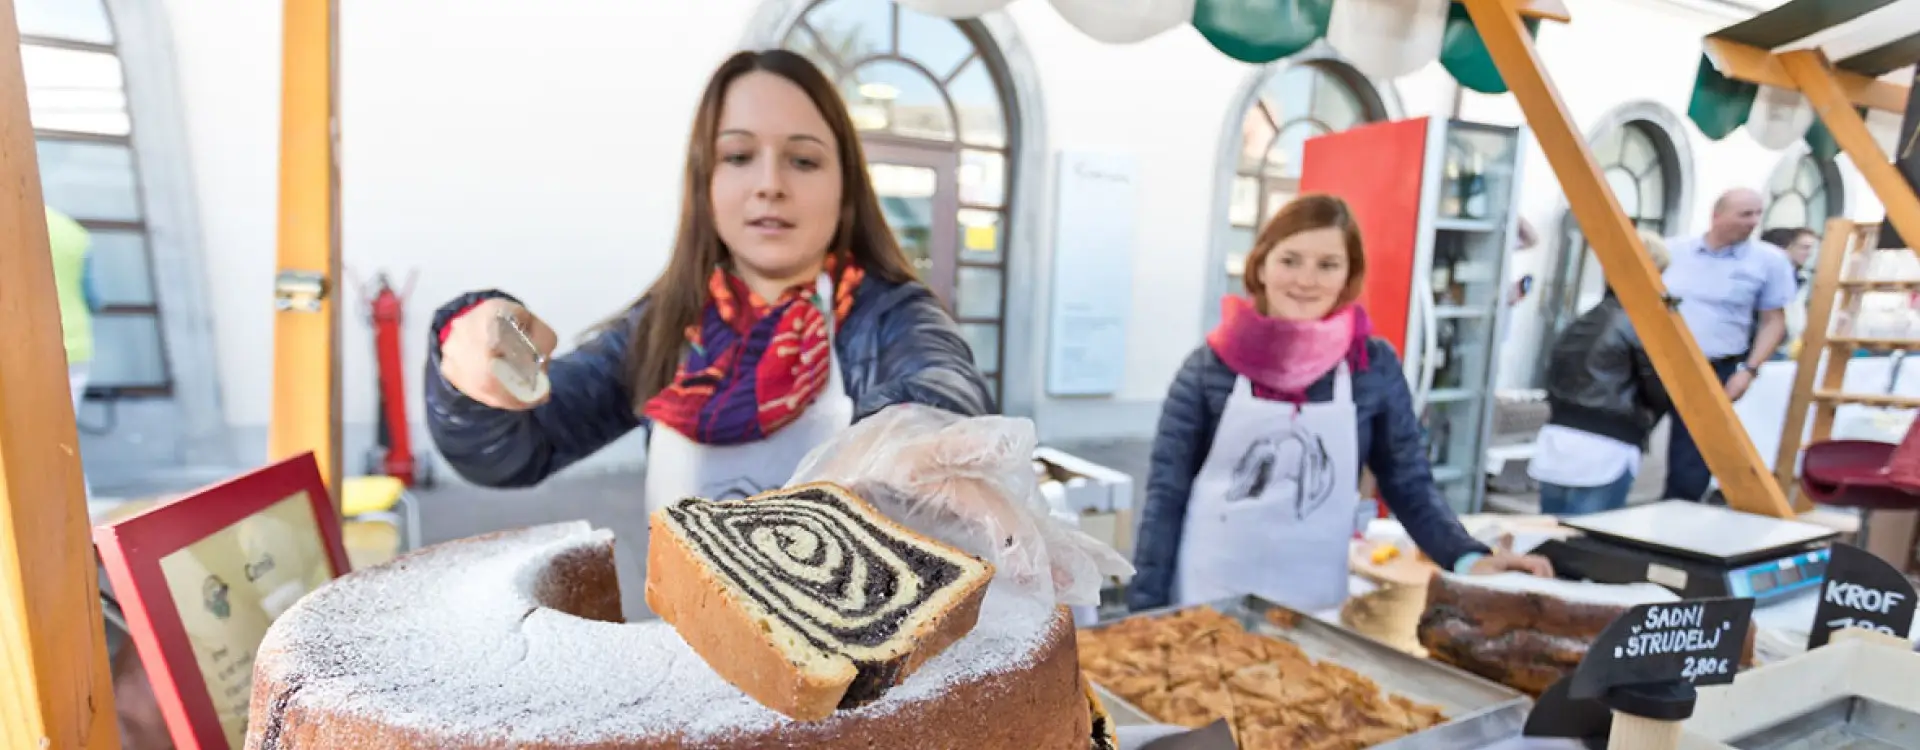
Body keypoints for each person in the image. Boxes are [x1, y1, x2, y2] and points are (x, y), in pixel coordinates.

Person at [426, 50, 992, 507]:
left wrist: (915, 437)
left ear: (845, 190)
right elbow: (512, 452)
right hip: (685, 647)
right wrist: (482, 354)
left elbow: (943, 388)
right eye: (739, 156)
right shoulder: (665, 328)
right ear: (705, 183)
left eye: (803, 160)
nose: (770, 184)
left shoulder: (891, 316)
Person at [1127, 194, 1551, 614]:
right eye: (1290, 260)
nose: (1306, 280)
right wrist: (1144, 610)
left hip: (1312, 602)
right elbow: (1166, 495)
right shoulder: (1209, 367)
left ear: (1348, 275)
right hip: (1210, 592)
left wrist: (1466, 556)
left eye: (1327, 265)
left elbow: (1407, 479)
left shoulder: (1372, 366)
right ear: (1260, 265)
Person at [1661, 189, 1796, 503]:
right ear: (1717, 215)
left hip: (1713, 365)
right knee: (1623, 442)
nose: (1753, 222)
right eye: (1744, 213)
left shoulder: (1769, 261)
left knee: (1691, 458)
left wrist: (1749, 370)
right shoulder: (1674, 251)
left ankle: (1674, 526)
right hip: (1657, 359)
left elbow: (1773, 321)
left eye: (1757, 214)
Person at [1530, 231, 1674, 516]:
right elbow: (1659, 388)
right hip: (1607, 444)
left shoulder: (1584, 318)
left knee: (1547, 540)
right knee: (1590, 546)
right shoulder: (1641, 324)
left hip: (1558, 438)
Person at [46, 206, 96, 417]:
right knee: (60, 433)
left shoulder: (13, 224)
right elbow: (94, 299)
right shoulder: (73, 231)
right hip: (74, 343)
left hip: (20, 345)